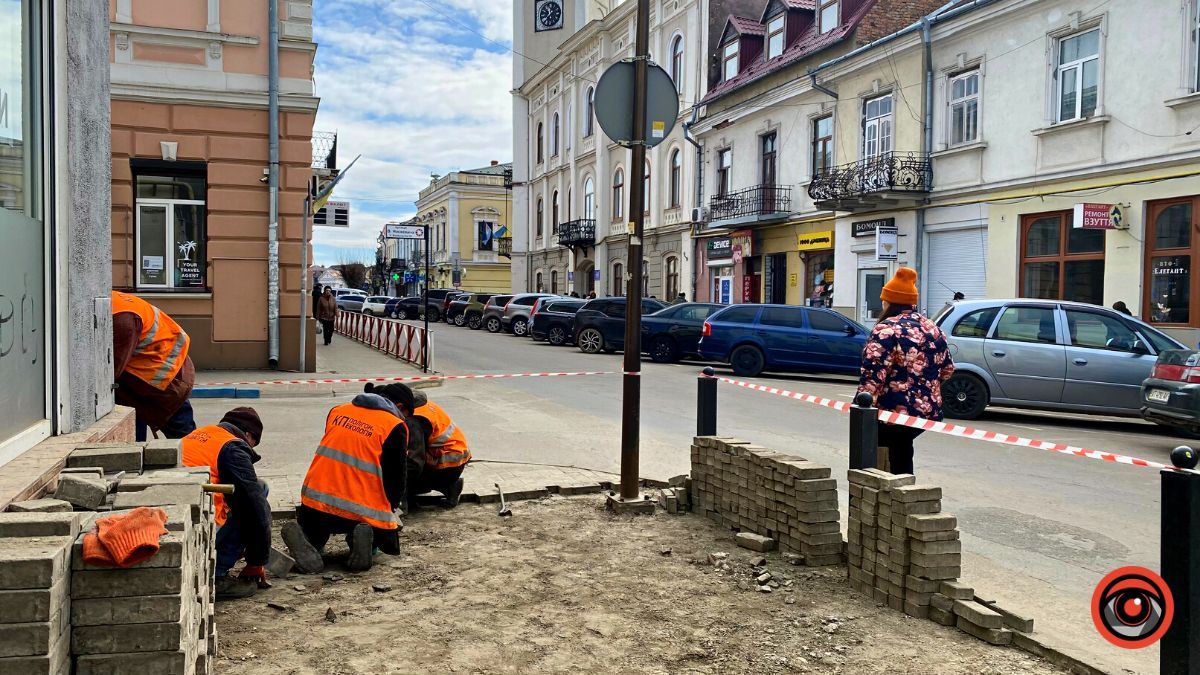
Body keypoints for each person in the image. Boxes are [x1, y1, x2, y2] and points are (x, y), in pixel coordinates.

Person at [282, 384, 411, 573]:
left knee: (315, 526)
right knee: (379, 526)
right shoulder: (395, 426)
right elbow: (396, 477)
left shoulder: (338, 411)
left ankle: (311, 543)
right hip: (360, 510)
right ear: (399, 406)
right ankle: (363, 544)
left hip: (315, 503)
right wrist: (390, 509)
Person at [857, 267, 954, 476]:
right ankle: (904, 489)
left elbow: (873, 375)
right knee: (901, 449)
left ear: (889, 302)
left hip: (891, 412)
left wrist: (861, 408)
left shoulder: (886, 329)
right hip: (927, 412)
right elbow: (947, 370)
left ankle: (886, 492)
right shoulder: (932, 328)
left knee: (875, 455)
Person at [181, 407, 272, 599]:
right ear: (248, 435)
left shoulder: (202, 433)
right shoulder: (233, 447)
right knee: (253, 500)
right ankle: (216, 575)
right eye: (253, 444)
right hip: (195, 529)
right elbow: (256, 509)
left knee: (254, 489)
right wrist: (256, 561)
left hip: (175, 516)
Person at [111, 291, 196, 442]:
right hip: (157, 379)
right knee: (135, 421)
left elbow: (111, 371)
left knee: (185, 441)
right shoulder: (117, 303)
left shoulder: (122, 320)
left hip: (165, 383)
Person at [407, 389, 469, 509]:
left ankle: (448, 485)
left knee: (410, 471)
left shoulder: (417, 419)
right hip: (456, 456)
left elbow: (416, 459)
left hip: (449, 461)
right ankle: (450, 486)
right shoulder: (423, 405)